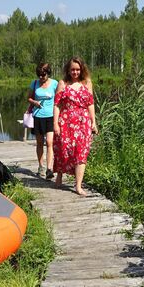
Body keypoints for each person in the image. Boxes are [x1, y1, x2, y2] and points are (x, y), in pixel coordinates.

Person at [52, 56, 98, 196]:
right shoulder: (63, 84)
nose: (75, 72)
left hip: (83, 122)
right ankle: (59, 174)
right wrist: (55, 124)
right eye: (73, 69)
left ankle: (78, 185)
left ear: (82, 69)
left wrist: (93, 122)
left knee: (81, 152)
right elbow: (57, 105)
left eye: (78, 69)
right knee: (63, 150)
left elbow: (90, 104)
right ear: (68, 70)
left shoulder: (87, 83)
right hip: (66, 121)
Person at [26, 62, 58, 179]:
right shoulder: (34, 84)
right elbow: (29, 98)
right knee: (40, 143)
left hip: (50, 117)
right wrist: (34, 102)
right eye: (39, 75)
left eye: (43, 75)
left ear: (48, 74)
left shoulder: (55, 84)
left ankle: (49, 169)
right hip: (38, 117)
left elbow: (59, 100)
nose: (41, 77)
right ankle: (41, 166)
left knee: (49, 142)